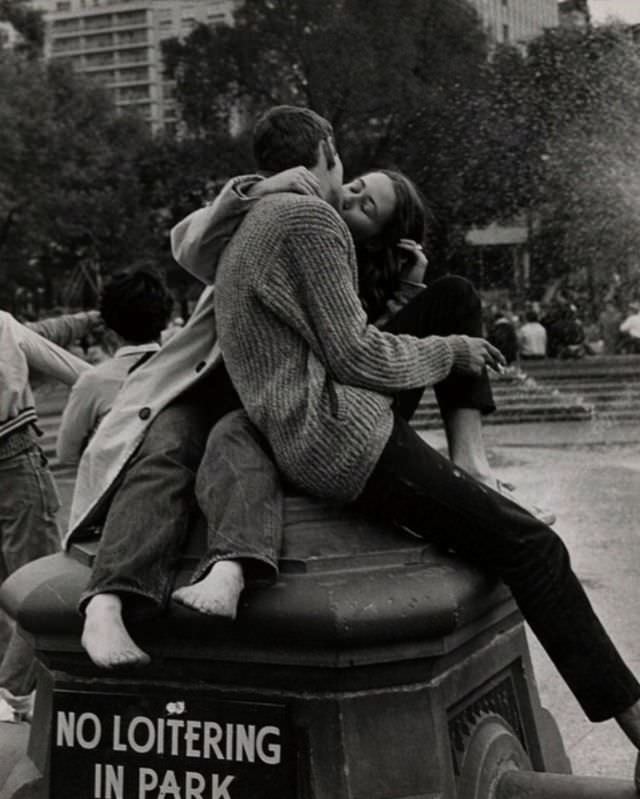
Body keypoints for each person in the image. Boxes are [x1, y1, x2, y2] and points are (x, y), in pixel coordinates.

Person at [202, 106, 640, 762]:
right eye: (343, 162)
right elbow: (354, 355)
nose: (345, 179)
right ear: (323, 149)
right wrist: (452, 353)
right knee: (534, 547)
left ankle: (476, 467)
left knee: (511, 538)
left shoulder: (248, 224)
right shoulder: (308, 217)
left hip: (307, 435)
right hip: (343, 441)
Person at [72, 122, 551, 669]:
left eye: (367, 205)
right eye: (356, 183)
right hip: (211, 380)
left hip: (281, 404)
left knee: (235, 439)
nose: (348, 193)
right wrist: (259, 187)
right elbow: (188, 243)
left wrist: (409, 288)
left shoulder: (341, 256)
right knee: (166, 451)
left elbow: (363, 350)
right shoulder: (276, 213)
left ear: (378, 236)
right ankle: (106, 602)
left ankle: (233, 567)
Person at [0, 309, 97, 721]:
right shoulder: (2, 325)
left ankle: (10, 689)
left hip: (14, 455)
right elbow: (79, 372)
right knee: (36, 583)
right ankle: (13, 690)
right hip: (13, 457)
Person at [57, 269, 174, 465]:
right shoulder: (186, 369)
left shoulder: (93, 382)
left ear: (109, 326)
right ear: (166, 318)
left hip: (119, 488)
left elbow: (66, 453)